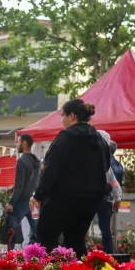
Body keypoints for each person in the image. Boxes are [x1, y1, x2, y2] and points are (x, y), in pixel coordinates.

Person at [32, 99, 109, 258]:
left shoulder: (67, 137)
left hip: (63, 197)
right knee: (75, 239)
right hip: (91, 199)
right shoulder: (99, 139)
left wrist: (38, 194)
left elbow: (52, 168)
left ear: (72, 116)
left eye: (62, 115)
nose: (61, 120)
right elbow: (106, 166)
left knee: (45, 236)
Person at [6, 134, 42, 249]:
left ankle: (9, 257)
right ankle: (31, 253)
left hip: (21, 202)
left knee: (11, 231)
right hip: (33, 201)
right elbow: (33, 182)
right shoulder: (37, 161)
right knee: (36, 231)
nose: (17, 145)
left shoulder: (22, 161)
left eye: (18, 142)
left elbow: (20, 186)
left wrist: (11, 202)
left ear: (25, 143)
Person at [95, 131, 123, 254]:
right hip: (107, 199)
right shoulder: (117, 164)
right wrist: (117, 198)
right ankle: (109, 253)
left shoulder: (102, 160)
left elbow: (112, 180)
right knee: (105, 228)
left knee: (79, 226)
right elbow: (115, 182)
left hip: (95, 197)